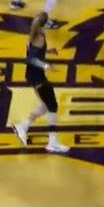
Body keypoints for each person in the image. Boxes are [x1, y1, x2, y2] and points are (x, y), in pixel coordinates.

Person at [10, 12, 70, 154]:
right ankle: (53, 142)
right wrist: (46, 66)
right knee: (52, 105)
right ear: (45, 24)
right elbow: (31, 59)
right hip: (36, 76)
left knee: (45, 106)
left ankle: (22, 126)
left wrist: (48, 51)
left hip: (33, 75)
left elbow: (34, 52)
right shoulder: (40, 37)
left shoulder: (33, 35)